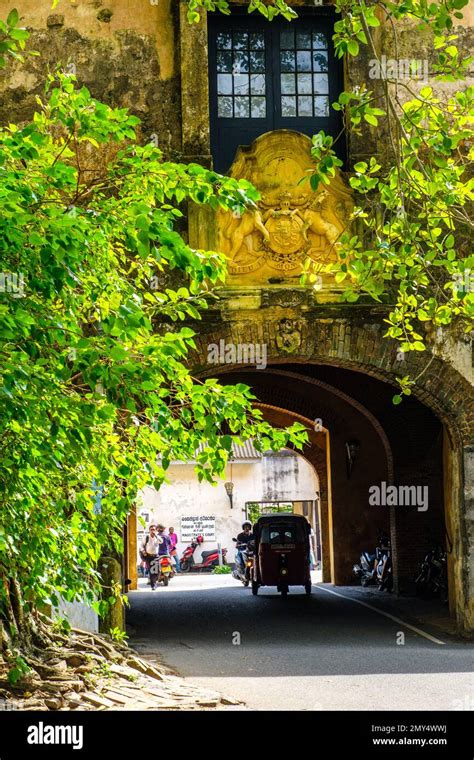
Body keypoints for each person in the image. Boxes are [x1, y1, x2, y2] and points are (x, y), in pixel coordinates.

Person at [140, 525, 163, 590]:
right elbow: (141, 546)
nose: (152, 531)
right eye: (151, 529)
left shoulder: (158, 537)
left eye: (154, 529)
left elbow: (161, 541)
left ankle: (155, 581)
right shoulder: (146, 537)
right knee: (151, 571)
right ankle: (153, 585)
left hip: (155, 556)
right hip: (148, 556)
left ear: (156, 530)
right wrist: (143, 551)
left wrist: (156, 536)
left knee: (158, 570)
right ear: (149, 530)